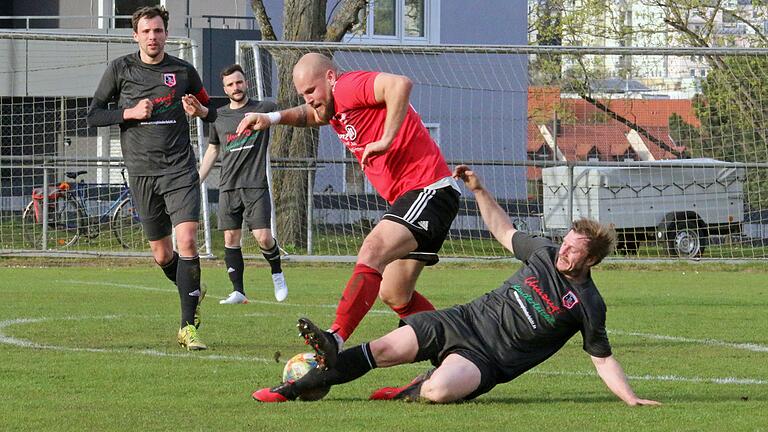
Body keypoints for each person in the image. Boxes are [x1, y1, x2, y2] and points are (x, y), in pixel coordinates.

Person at [251, 165, 661, 406]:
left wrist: (629, 398)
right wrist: (480, 190)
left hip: (488, 360)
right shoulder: (542, 252)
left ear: (591, 260)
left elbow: (602, 358)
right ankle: (296, 387)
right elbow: (504, 230)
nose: (563, 253)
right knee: (382, 349)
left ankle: (412, 389)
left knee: (438, 392)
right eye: (565, 244)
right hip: (460, 322)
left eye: (573, 252)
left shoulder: (588, 303)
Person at [236, 52, 460, 365]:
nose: (309, 99)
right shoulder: (334, 106)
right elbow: (313, 116)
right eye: (303, 94)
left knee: (373, 249)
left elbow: (399, 84)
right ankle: (455, 349)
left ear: (329, 77)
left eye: (311, 91)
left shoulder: (346, 86)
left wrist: (386, 138)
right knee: (395, 294)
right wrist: (272, 118)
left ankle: (335, 337)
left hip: (428, 190)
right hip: (416, 198)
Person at [86, 6, 217, 350]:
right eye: (146, 32)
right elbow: (93, 114)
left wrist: (200, 112)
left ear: (166, 33)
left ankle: (188, 327)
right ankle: (191, 288)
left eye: (158, 31)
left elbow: (210, 109)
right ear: (136, 35)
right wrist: (128, 112)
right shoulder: (121, 69)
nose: (153, 37)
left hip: (179, 168)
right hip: (142, 173)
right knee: (162, 254)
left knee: (187, 240)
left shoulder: (184, 71)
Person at [198, 64, 288, 304]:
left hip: (255, 185)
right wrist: (198, 179)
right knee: (230, 238)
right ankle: (239, 291)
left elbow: (287, 114)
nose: (235, 87)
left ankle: (277, 272)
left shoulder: (263, 108)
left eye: (239, 82)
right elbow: (213, 149)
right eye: (230, 84)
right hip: (228, 186)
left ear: (246, 83)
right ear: (224, 88)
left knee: (263, 238)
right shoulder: (218, 116)